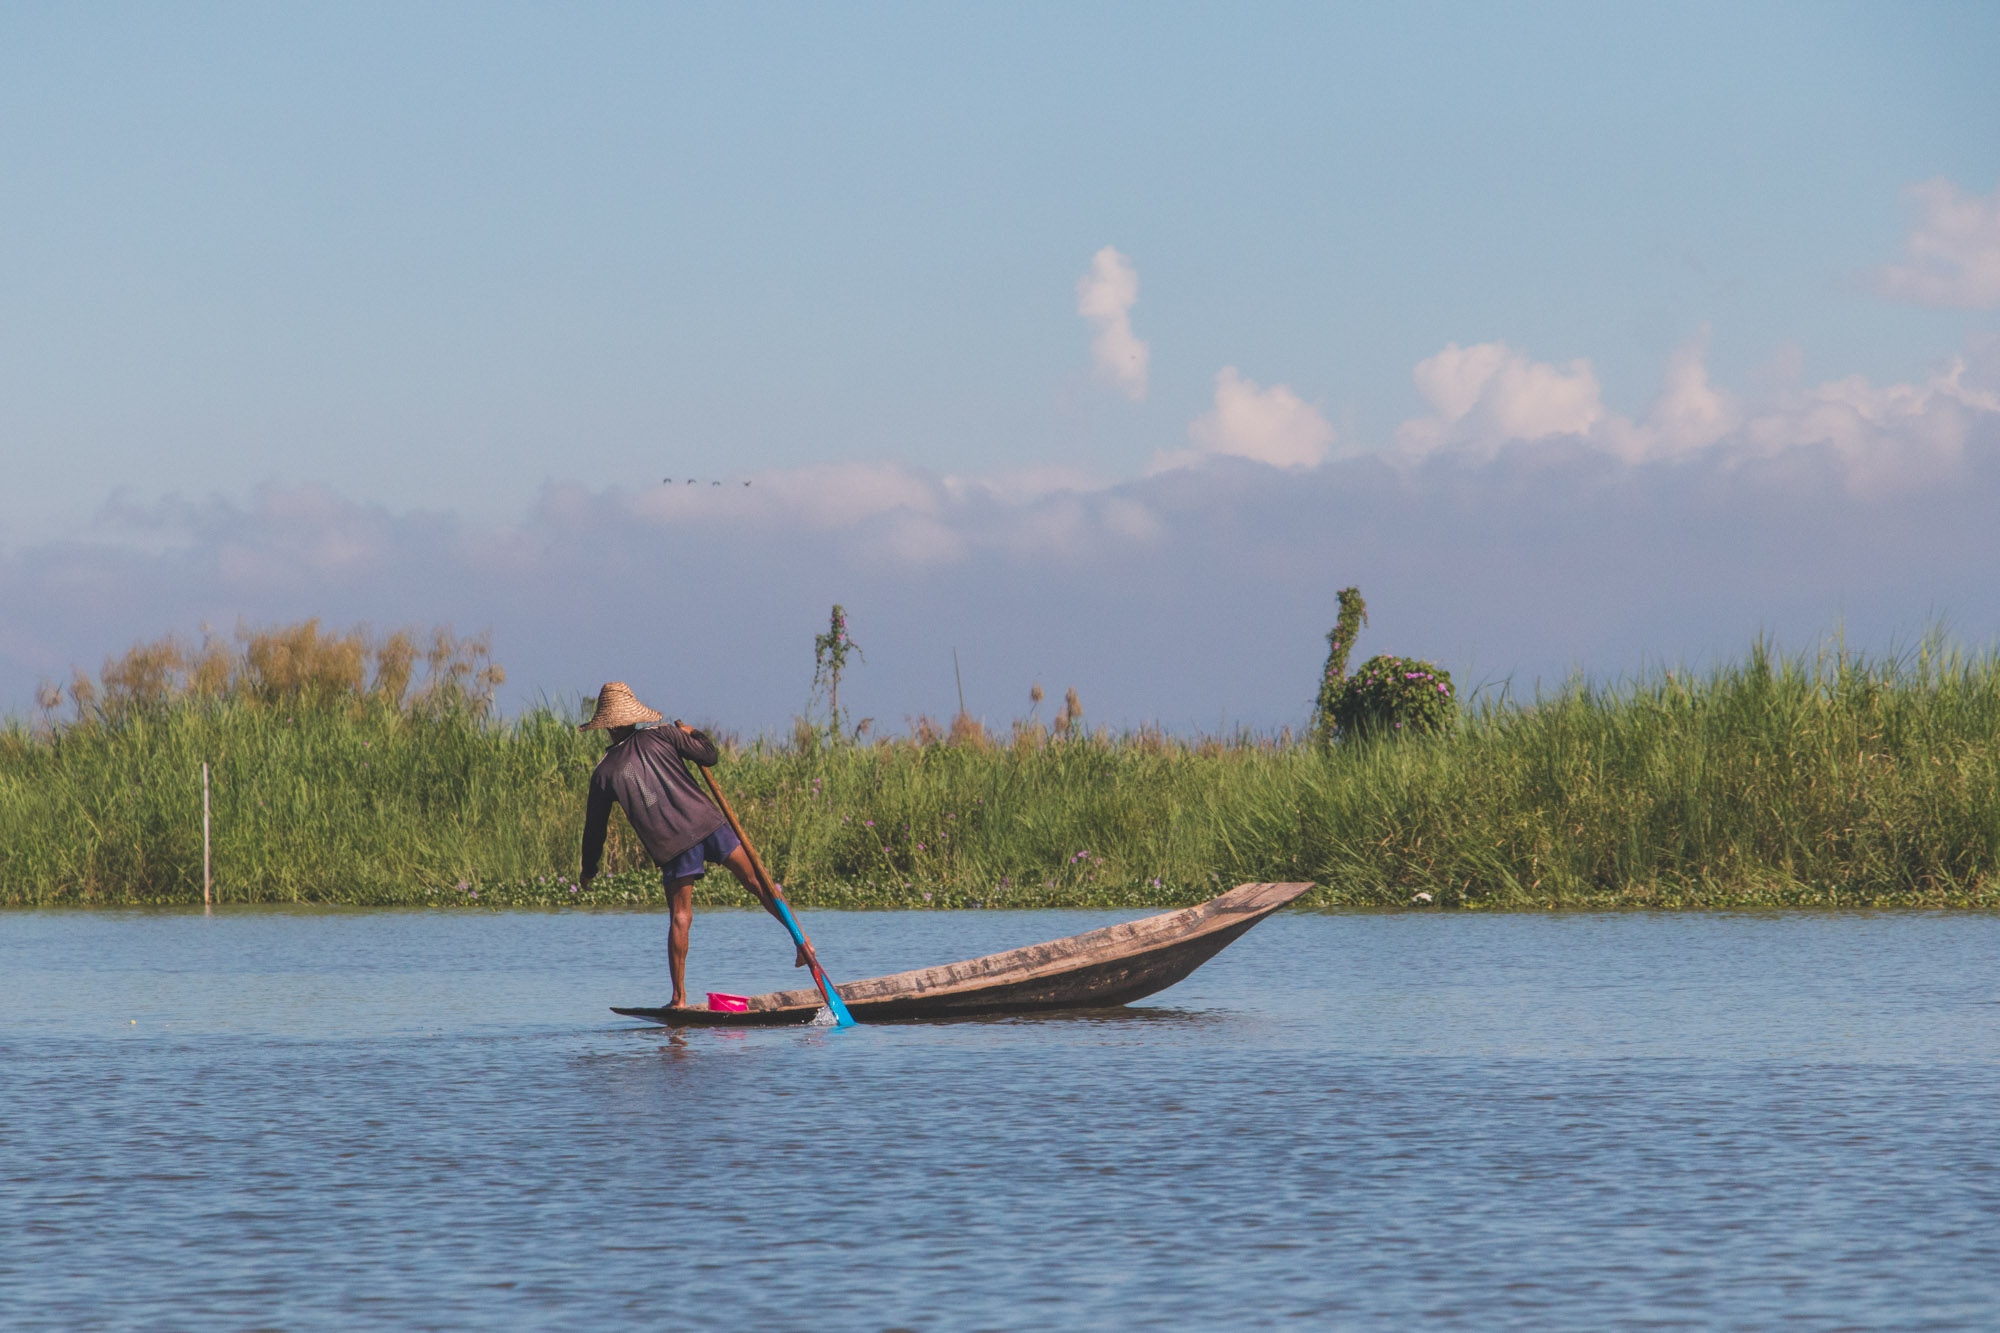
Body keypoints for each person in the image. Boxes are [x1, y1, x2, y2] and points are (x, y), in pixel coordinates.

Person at [577, 681, 817, 1007]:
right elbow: (710, 755)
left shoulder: (604, 772)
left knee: (681, 916)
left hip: (673, 843)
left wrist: (588, 870)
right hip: (708, 824)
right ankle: (803, 944)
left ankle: (678, 998)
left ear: (607, 726)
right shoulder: (663, 734)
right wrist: (694, 733)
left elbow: (595, 831)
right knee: (758, 883)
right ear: (632, 717)